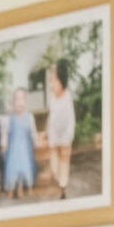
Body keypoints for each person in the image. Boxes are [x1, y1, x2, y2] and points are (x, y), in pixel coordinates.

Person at [43, 61, 76, 197]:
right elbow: (51, 116)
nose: (52, 84)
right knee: (54, 164)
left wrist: (69, 135)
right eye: (52, 81)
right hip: (54, 135)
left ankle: (63, 187)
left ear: (62, 81)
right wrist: (47, 131)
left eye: (55, 81)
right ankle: (59, 180)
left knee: (64, 162)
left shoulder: (67, 97)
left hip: (65, 135)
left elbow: (70, 118)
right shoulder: (52, 98)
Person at [2, 86, 38, 199]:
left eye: (22, 99)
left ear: (25, 101)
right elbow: (5, 132)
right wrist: (4, 143)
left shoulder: (29, 116)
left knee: (24, 166)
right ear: (13, 102)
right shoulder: (9, 117)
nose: (19, 102)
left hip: (25, 148)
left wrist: (36, 142)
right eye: (17, 99)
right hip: (13, 148)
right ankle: (11, 188)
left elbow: (33, 131)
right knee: (12, 167)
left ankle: (21, 187)